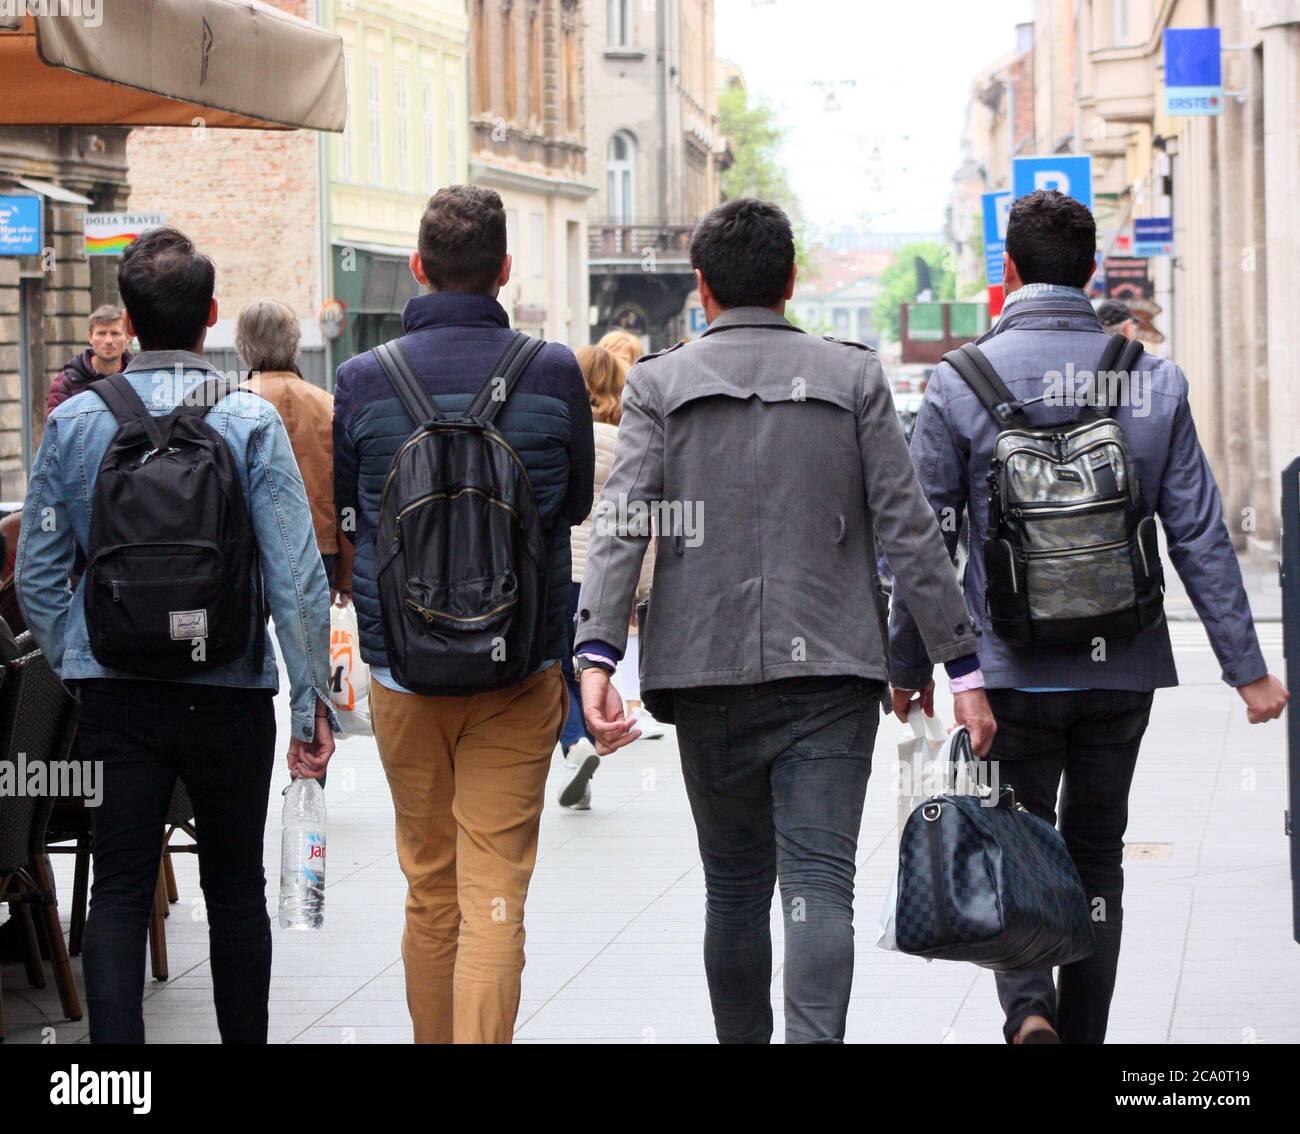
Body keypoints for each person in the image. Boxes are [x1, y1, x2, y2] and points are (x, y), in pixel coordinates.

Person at [574, 197, 995, 1044]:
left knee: (732, 889)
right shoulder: (851, 376)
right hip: (832, 672)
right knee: (818, 885)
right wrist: (963, 669)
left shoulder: (660, 381)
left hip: (702, 671)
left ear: (701, 287)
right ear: (793, 280)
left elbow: (622, 524)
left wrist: (595, 655)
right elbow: (911, 528)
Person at [890, 189, 1288, 1045]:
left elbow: (926, 539)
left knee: (1012, 834)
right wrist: (1245, 667)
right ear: (1093, 270)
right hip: (1122, 668)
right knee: (1098, 854)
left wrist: (908, 663)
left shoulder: (961, 383)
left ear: (1010, 272)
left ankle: (1028, 1006)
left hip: (1007, 671)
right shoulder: (1153, 379)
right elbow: (1199, 535)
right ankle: (1085, 1038)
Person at [15, 226, 338, 1044]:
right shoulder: (247, 420)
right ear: (212, 318)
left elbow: (40, 576)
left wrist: (81, 664)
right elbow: (297, 577)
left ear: (127, 316)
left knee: (118, 888)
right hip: (228, 691)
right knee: (234, 888)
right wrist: (310, 705)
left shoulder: (76, 422)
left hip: (116, 697)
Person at [333, 184, 594, 1044]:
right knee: (495, 891)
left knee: (429, 884)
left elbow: (352, 523)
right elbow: (577, 504)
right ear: (506, 272)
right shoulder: (551, 369)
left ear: (416, 267)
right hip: (519, 672)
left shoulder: (363, 380)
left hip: (403, 674)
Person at [558, 345, 655, 810]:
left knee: (558, 666)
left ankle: (576, 741)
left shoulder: (563, 438)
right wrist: (644, 589)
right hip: (605, 577)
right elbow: (642, 519)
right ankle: (586, 737)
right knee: (589, 663)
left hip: (562, 571)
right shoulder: (627, 443)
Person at [237, 299, 353, 603]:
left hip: (252, 552)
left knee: (257, 647)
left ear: (243, 346)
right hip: (320, 547)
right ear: (295, 344)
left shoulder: (232, 407)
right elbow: (347, 494)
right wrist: (347, 574)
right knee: (311, 647)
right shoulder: (329, 405)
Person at [46, 304, 133, 416]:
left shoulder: (137, 376)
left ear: (128, 337)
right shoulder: (68, 381)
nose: (108, 340)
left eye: (115, 333)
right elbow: (55, 426)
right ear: (90, 337)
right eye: (101, 333)